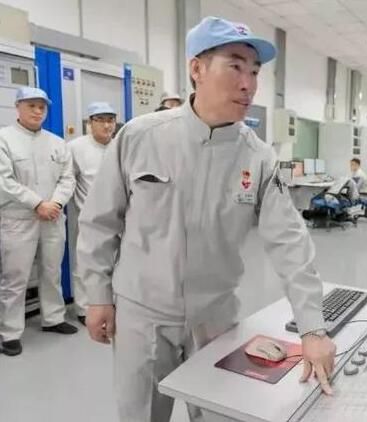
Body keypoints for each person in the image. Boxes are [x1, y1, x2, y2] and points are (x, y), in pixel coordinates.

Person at [77, 16, 336, 422]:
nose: (248, 84)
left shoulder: (258, 157)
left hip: (215, 318)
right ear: (196, 69)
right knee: (142, 414)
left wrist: (313, 328)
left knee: (219, 414)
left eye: (254, 72)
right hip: (142, 314)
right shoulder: (140, 137)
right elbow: (99, 223)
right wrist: (97, 296)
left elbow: (290, 243)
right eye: (235, 66)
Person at [0, 87, 78, 357]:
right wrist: (37, 203)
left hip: (53, 217)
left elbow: (68, 178)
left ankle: (53, 318)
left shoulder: (57, 142)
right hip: (18, 218)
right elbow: (4, 181)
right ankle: (10, 333)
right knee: (15, 278)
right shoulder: (4, 139)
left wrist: (55, 203)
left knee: (51, 271)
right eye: (31, 105)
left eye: (42, 107)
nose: (37, 111)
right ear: (18, 107)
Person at [68, 102, 117, 325]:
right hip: (87, 217)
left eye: (111, 120)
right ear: (90, 123)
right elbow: (68, 179)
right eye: (101, 120)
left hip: (118, 215)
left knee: (116, 262)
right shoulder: (75, 147)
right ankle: (83, 308)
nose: (107, 125)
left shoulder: (120, 144)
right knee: (84, 263)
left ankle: (113, 303)